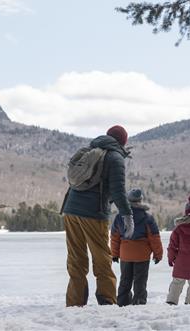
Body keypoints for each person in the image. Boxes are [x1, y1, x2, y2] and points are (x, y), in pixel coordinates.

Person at [62, 125, 134, 307]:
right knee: (102, 258)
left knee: (76, 258)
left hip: (70, 210)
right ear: (122, 141)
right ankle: (107, 301)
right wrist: (127, 215)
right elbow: (118, 191)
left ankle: (74, 303)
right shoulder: (115, 157)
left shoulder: (92, 150)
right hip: (93, 213)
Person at [110, 188, 163, 306]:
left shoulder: (120, 217)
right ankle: (139, 303)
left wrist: (114, 254)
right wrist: (158, 254)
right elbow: (154, 238)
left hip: (125, 254)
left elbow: (114, 237)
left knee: (125, 281)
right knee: (140, 282)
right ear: (140, 200)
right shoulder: (147, 218)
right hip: (142, 256)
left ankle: (123, 303)